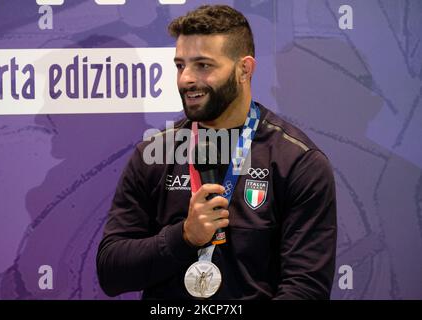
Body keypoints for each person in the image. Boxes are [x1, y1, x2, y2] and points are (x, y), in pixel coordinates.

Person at [96, 4, 337, 300]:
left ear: (244, 69)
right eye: (180, 65)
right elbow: (111, 272)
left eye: (203, 65)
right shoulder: (153, 153)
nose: (185, 79)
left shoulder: (297, 162)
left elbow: (306, 289)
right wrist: (182, 237)